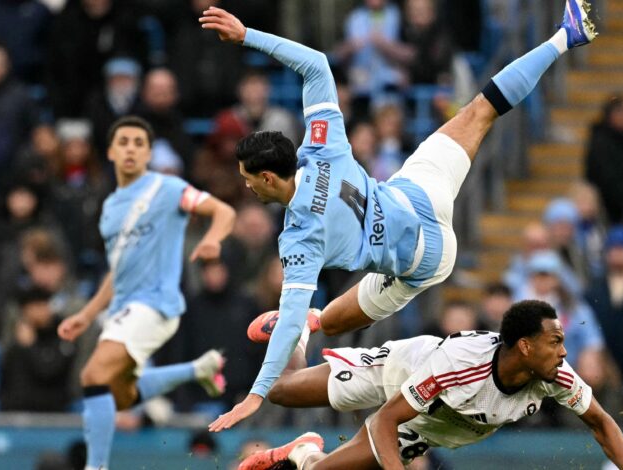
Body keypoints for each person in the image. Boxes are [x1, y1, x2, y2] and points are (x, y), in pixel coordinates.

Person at [200, 0, 598, 429]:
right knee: (481, 110)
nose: (245, 185)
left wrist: (256, 396)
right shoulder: (320, 147)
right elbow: (315, 65)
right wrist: (247, 35)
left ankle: (315, 322)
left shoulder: (300, 238)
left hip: (426, 259)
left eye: (247, 178)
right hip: (420, 192)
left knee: (325, 321)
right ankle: (565, 35)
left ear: (266, 177)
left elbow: (291, 314)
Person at [234, 300, 623, 469]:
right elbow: (386, 418)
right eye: (556, 342)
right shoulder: (459, 367)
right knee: (281, 390)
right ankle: (297, 327)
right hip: (400, 372)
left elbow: (602, 423)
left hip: (423, 425)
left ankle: (302, 451)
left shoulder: (555, 377)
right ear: (526, 347)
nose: (565, 353)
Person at [56, 116, 237, 470]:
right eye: (123, 141)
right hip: (124, 309)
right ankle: (197, 369)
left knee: (92, 375)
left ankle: (96, 466)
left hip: (156, 304)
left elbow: (223, 211)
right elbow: (117, 271)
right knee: (119, 396)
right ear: (110, 151)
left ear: (149, 153)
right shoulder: (110, 209)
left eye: (139, 143)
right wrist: (87, 314)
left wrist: (213, 239)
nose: (131, 149)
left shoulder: (165, 189)